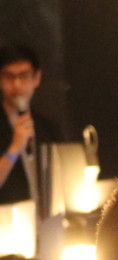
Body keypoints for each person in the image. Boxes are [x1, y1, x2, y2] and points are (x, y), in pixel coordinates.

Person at [0, 44, 63, 204]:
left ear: (36, 78)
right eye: (9, 77)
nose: (17, 85)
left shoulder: (47, 127)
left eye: (24, 76)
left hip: (45, 217)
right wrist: (15, 147)